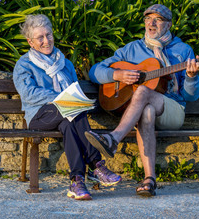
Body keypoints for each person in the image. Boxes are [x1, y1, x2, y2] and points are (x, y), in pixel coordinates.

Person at [85, 4, 199, 197]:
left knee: (142, 92)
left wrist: (191, 77)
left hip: (172, 109)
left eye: (158, 19)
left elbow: (191, 96)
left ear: (169, 25)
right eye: (148, 19)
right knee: (146, 109)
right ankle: (149, 179)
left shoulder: (183, 50)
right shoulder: (132, 49)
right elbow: (94, 71)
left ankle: (113, 139)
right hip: (145, 110)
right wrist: (117, 74)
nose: (152, 23)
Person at [13, 14, 121, 201]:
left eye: (49, 35)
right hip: (39, 116)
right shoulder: (24, 65)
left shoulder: (66, 64)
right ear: (31, 42)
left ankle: (77, 180)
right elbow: (29, 94)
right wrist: (61, 98)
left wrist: (70, 100)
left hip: (66, 116)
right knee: (72, 108)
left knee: (70, 123)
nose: (46, 41)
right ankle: (96, 165)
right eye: (40, 37)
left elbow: (74, 90)